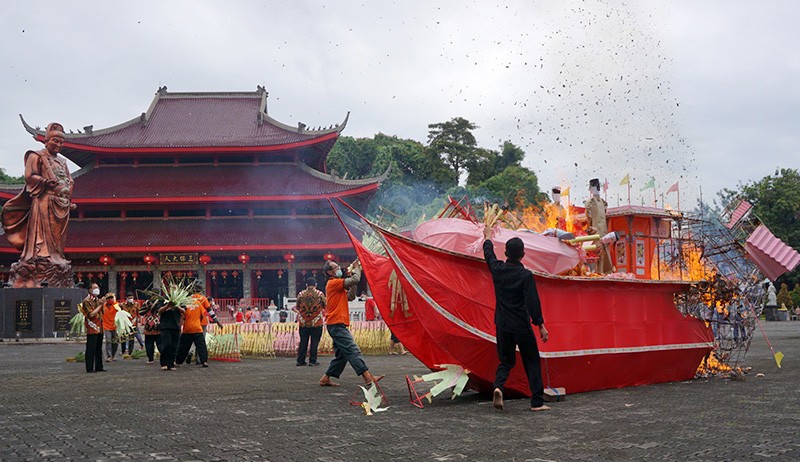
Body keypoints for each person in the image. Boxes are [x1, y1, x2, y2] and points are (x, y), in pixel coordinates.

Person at [483, 224, 550, 412]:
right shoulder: (525, 275)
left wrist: (487, 237)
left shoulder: (498, 269)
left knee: (506, 361)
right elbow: (532, 303)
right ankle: (537, 402)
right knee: (531, 361)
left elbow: (489, 256)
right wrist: (540, 325)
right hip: (520, 324)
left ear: (505, 252)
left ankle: (498, 386)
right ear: (523, 254)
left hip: (502, 323)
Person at [1, 122, 75, 287]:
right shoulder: (36, 155)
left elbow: (69, 178)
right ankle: (40, 255)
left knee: (58, 238)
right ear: (46, 140)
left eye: (61, 142)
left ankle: (56, 257)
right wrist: (44, 181)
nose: (58, 145)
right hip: (44, 200)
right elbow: (29, 176)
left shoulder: (62, 161)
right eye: (55, 141)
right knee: (43, 233)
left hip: (61, 203)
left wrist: (69, 187)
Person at [319, 260, 383, 387]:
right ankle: (367, 377)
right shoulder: (333, 283)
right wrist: (356, 269)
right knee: (353, 350)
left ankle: (325, 378)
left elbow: (351, 296)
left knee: (342, 356)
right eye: (336, 267)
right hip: (336, 323)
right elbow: (356, 279)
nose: (339, 268)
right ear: (330, 272)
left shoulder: (337, 285)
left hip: (336, 323)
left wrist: (351, 276)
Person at [294, 277, 326, 366]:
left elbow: (297, 306)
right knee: (314, 342)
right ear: (315, 284)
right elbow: (324, 305)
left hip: (303, 322)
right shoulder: (320, 294)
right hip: (316, 322)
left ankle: (300, 360)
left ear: (306, 285)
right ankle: (312, 360)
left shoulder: (301, 294)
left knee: (303, 341)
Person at [175, 294, 209, 368]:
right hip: (197, 328)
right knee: (201, 346)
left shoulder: (185, 304)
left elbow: (182, 315)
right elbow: (202, 315)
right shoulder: (198, 303)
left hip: (188, 329)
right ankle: (204, 361)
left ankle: (178, 362)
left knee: (183, 347)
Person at [81, 283, 106, 373]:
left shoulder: (97, 300)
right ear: (90, 290)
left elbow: (103, 312)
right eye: (95, 288)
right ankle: (90, 367)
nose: (97, 289)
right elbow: (91, 314)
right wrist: (100, 305)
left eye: (98, 287)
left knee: (99, 348)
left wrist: (102, 304)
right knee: (91, 348)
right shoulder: (87, 301)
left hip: (100, 326)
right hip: (92, 326)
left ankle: (99, 366)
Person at [158, 300, 184, 371]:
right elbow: (159, 311)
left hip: (176, 326)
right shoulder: (163, 299)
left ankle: (171, 364)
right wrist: (168, 305)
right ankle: (164, 363)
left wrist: (176, 306)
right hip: (165, 326)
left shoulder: (180, 298)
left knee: (174, 346)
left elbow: (184, 311)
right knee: (167, 345)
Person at [119, 292, 143, 356]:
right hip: (125, 323)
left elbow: (139, 314)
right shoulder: (122, 305)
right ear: (126, 298)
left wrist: (139, 322)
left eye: (132, 298)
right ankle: (123, 350)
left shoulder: (136, 304)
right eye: (129, 298)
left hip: (133, 323)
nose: (131, 299)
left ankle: (130, 351)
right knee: (124, 337)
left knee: (131, 338)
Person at [138, 299, 162, 364]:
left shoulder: (160, 302)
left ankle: (154, 359)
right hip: (152, 327)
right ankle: (151, 359)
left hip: (157, 327)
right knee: (150, 344)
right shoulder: (148, 303)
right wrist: (149, 306)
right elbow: (140, 312)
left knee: (159, 344)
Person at [102, 293, 120, 362]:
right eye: (108, 298)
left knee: (115, 342)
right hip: (106, 326)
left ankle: (113, 355)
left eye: (111, 298)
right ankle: (109, 356)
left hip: (115, 326)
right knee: (108, 341)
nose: (110, 300)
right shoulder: (103, 306)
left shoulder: (116, 305)